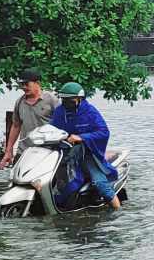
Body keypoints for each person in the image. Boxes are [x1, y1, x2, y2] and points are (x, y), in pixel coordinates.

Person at [49, 81, 121, 210]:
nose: (66, 103)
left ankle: (118, 209)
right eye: (64, 99)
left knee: (100, 184)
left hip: (87, 153)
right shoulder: (60, 112)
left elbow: (103, 132)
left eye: (70, 100)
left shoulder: (90, 112)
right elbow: (52, 129)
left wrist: (81, 137)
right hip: (65, 152)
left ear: (79, 99)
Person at [0, 69, 55, 168]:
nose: (24, 87)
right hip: (24, 151)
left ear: (37, 83)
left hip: (47, 151)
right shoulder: (19, 102)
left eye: (26, 84)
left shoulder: (51, 99)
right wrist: (8, 151)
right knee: (15, 180)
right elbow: (16, 126)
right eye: (21, 84)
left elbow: (62, 123)